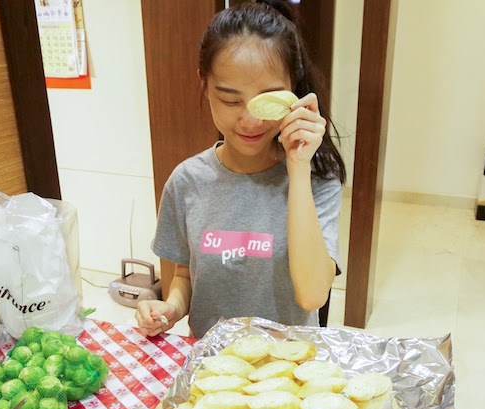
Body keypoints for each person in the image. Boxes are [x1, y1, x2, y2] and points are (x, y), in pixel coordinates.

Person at [135, 0, 345, 338]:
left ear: (293, 88)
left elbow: (312, 295)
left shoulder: (316, 180)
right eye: (231, 100)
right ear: (204, 84)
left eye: (267, 100)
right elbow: (186, 276)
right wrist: (171, 307)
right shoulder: (187, 181)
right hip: (213, 362)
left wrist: (298, 168)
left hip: (288, 361)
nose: (250, 121)